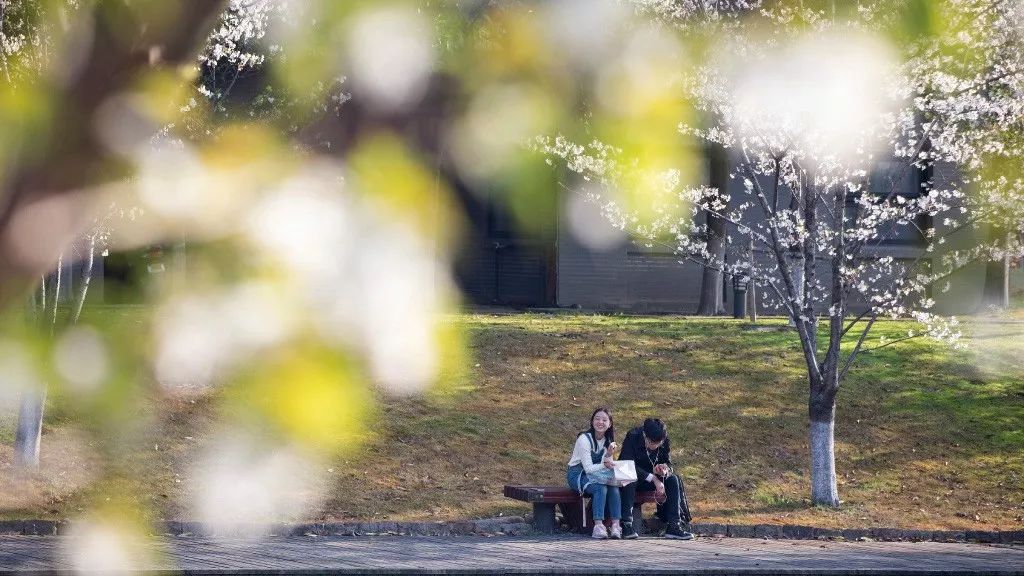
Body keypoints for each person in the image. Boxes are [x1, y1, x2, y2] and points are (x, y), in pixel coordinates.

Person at [617, 417, 693, 540]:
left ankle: (674, 526)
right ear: (644, 435)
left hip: (655, 478)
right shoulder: (633, 436)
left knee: (673, 480)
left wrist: (665, 469)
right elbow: (627, 464)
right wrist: (653, 478)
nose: (655, 446)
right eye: (651, 442)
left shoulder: (664, 439)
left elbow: (669, 463)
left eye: (658, 443)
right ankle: (626, 524)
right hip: (636, 476)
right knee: (629, 480)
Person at [566, 407, 623, 539]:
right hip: (578, 474)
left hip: (597, 475)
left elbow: (605, 466)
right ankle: (598, 526)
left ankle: (616, 525)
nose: (600, 422)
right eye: (597, 419)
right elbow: (588, 468)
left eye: (604, 420)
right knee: (600, 488)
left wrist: (609, 454)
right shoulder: (584, 439)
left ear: (610, 424)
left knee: (614, 487)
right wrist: (605, 464)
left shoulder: (608, 441)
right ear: (592, 422)